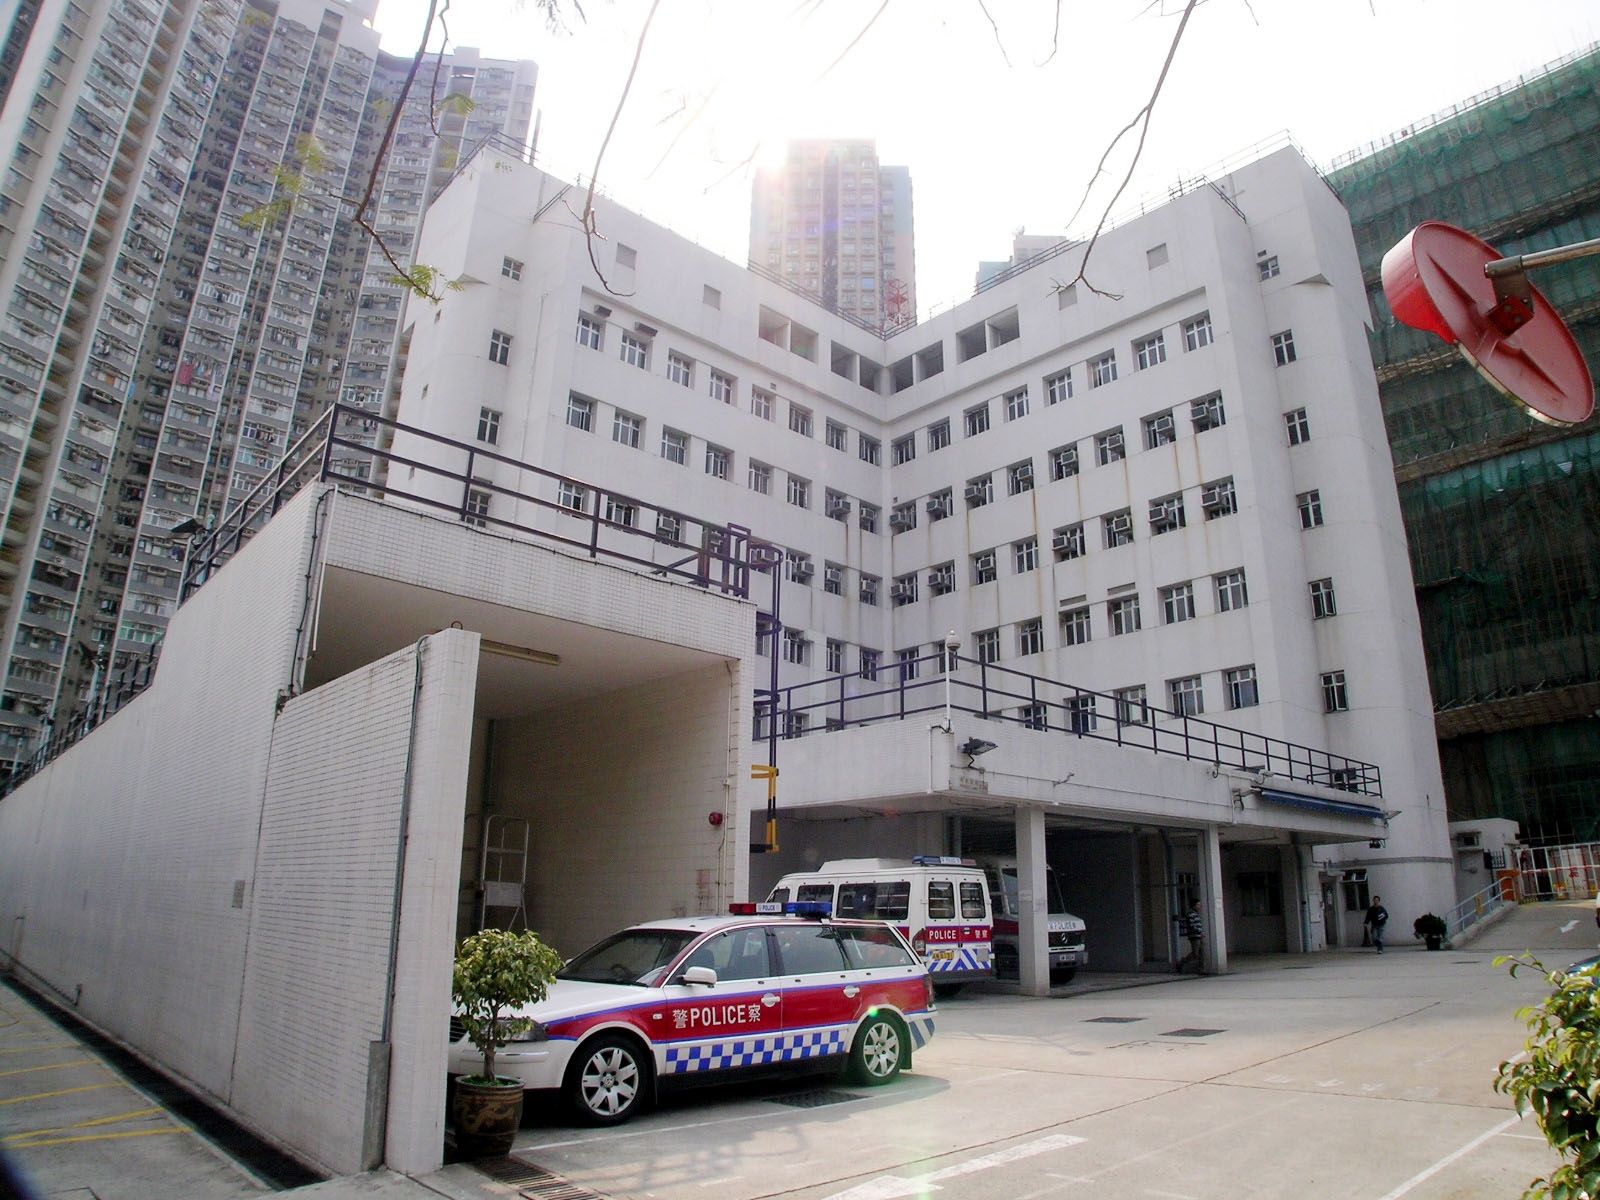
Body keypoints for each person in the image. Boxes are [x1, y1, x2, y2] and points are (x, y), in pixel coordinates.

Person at [1177, 900, 1204, 973]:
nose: (1199, 906)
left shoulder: (1196, 914)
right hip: (1194, 936)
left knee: (1200, 952)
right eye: (1198, 905)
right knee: (1196, 953)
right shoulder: (1191, 914)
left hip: (1198, 935)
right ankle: (1182, 963)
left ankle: (1199, 968)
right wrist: (1199, 932)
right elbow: (1192, 925)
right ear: (1194, 906)